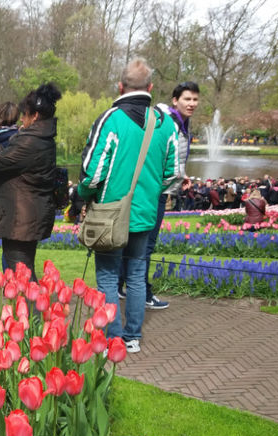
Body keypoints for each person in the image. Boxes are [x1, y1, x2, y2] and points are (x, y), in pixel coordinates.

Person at [77, 58, 179, 354]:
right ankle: (133, 336)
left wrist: (85, 194)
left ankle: (113, 338)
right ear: (150, 87)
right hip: (145, 213)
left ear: (120, 86)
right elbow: (172, 173)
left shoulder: (111, 120)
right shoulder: (165, 123)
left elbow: (93, 173)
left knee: (108, 276)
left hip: (110, 214)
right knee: (136, 274)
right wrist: (150, 194)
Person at [119, 80, 199, 309]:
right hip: (155, 192)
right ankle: (142, 292)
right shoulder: (167, 123)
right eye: (187, 99)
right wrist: (165, 182)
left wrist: (181, 175)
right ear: (175, 100)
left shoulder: (180, 123)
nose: (192, 103)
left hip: (157, 188)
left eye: (195, 99)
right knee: (146, 244)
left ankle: (119, 285)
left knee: (134, 242)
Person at [0, 83, 62, 277]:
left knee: (22, 277)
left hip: (21, 220)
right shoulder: (41, 138)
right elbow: (6, 157)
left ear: (34, 116)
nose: (21, 118)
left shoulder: (30, 141)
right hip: (27, 217)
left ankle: (31, 300)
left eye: (25, 114)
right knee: (23, 272)